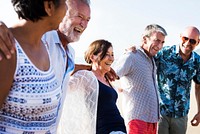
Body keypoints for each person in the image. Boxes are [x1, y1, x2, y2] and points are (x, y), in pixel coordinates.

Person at [0, 0, 67, 133]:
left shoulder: (45, 46)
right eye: (65, 3)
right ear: (49, 6)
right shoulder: (8, 49)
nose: (66, 10)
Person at [61, 39, 127, 134]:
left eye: (112, 54)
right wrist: (86, 67)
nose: (111, 58)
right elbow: (63, 81)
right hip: (105, 130)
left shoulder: (107, 79)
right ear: (93, 57)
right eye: (106, 54)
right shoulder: (86, 76)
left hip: (120, 129)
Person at [112, 24, 167, 134]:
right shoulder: (131, 56)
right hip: (137, 120)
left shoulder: (152, 60)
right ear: (144, 39)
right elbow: (110, 74)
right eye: (156, 40)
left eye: (162, 42)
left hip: (152, 120)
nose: (159, 46)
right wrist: (117, 88)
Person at [155, 26, 200, 134]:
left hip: (181, 115)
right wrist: (134, 50)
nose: (188, 43)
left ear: (197, 43)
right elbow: (145, 59)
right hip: (160, 113)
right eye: (185, 38)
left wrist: (199, 111)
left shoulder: (197, 61)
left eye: (193, 41)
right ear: (180, 37)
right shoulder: (164, 53)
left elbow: (198, 86)